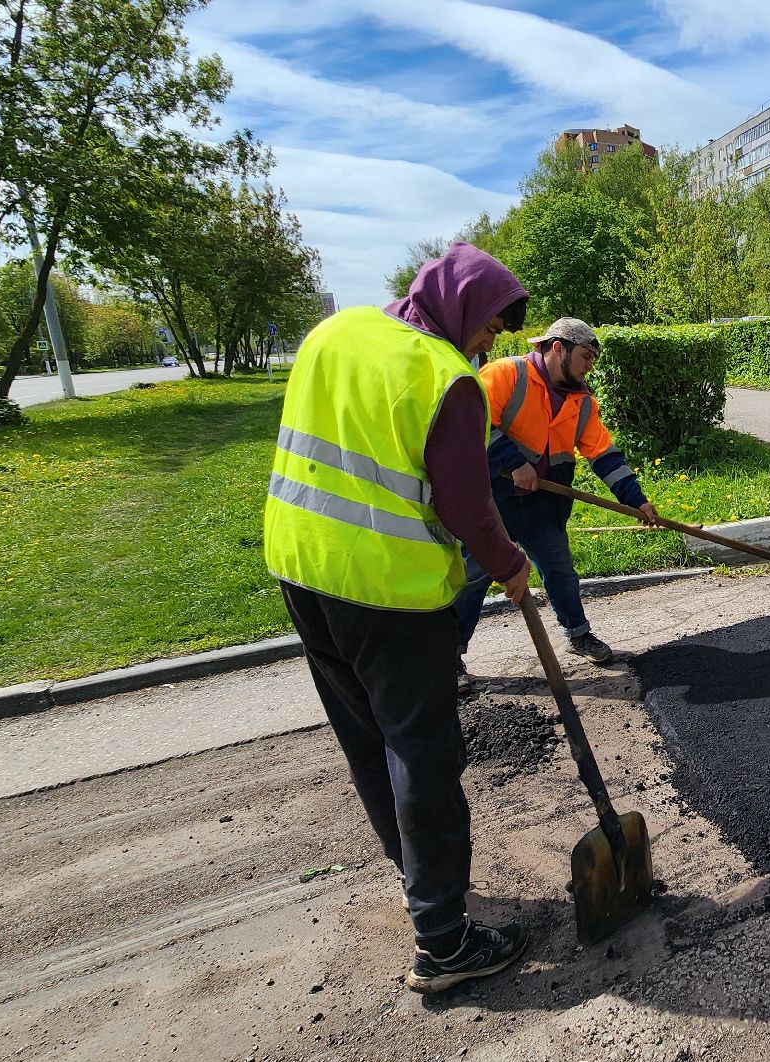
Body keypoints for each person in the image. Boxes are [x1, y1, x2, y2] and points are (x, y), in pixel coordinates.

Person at [263, 242, 535, 993]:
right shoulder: (445, 377)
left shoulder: (335, 333)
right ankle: (444, 943)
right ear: (461, 308)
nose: (487, 346)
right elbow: (466, 507)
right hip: (387, 592)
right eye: (488, 329)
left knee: (366, 738)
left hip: (301, 564)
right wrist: (510, 564)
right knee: (425, 754)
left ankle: (418, 876)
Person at [452, 317, 658, 668]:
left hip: (543, 506)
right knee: (472, 579)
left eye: (592, 360)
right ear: (557, 348)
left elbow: (604, 455)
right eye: (585, 357)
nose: (589, 367)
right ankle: (449, 656)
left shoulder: (582, 401)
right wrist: (514, 462)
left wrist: (635, 500)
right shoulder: (506, 375)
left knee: (560, 570)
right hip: (492, 503)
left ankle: (577, 633)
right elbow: (471, 422)